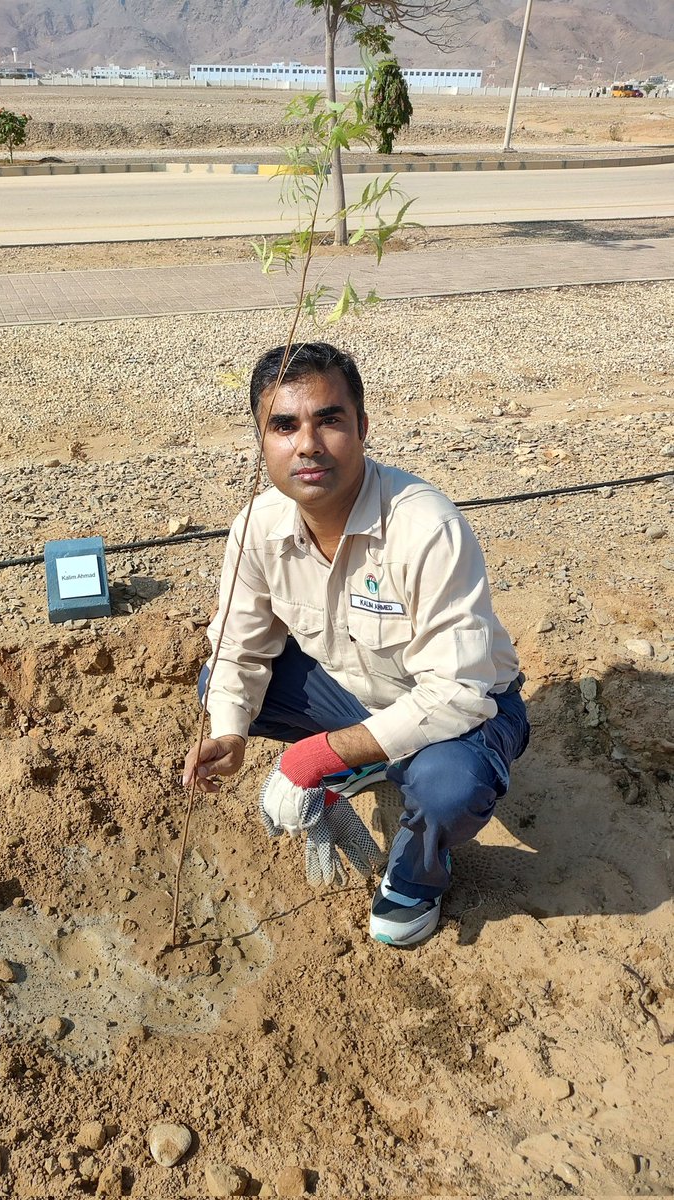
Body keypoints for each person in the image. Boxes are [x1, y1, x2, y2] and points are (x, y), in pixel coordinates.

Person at [182, 342, 530, 946]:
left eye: (330, 420)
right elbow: (238, 646)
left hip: (469, 710)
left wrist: (311, 758)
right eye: (283, 426)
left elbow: (459, 693)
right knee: (221, 686)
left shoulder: (425, 527)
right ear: (262, 442)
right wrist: (230, 735)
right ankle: (367, 757)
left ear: (363, 428)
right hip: (354, 695)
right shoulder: (258, 525)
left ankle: (418, 875)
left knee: (449, 787)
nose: (307, 444)